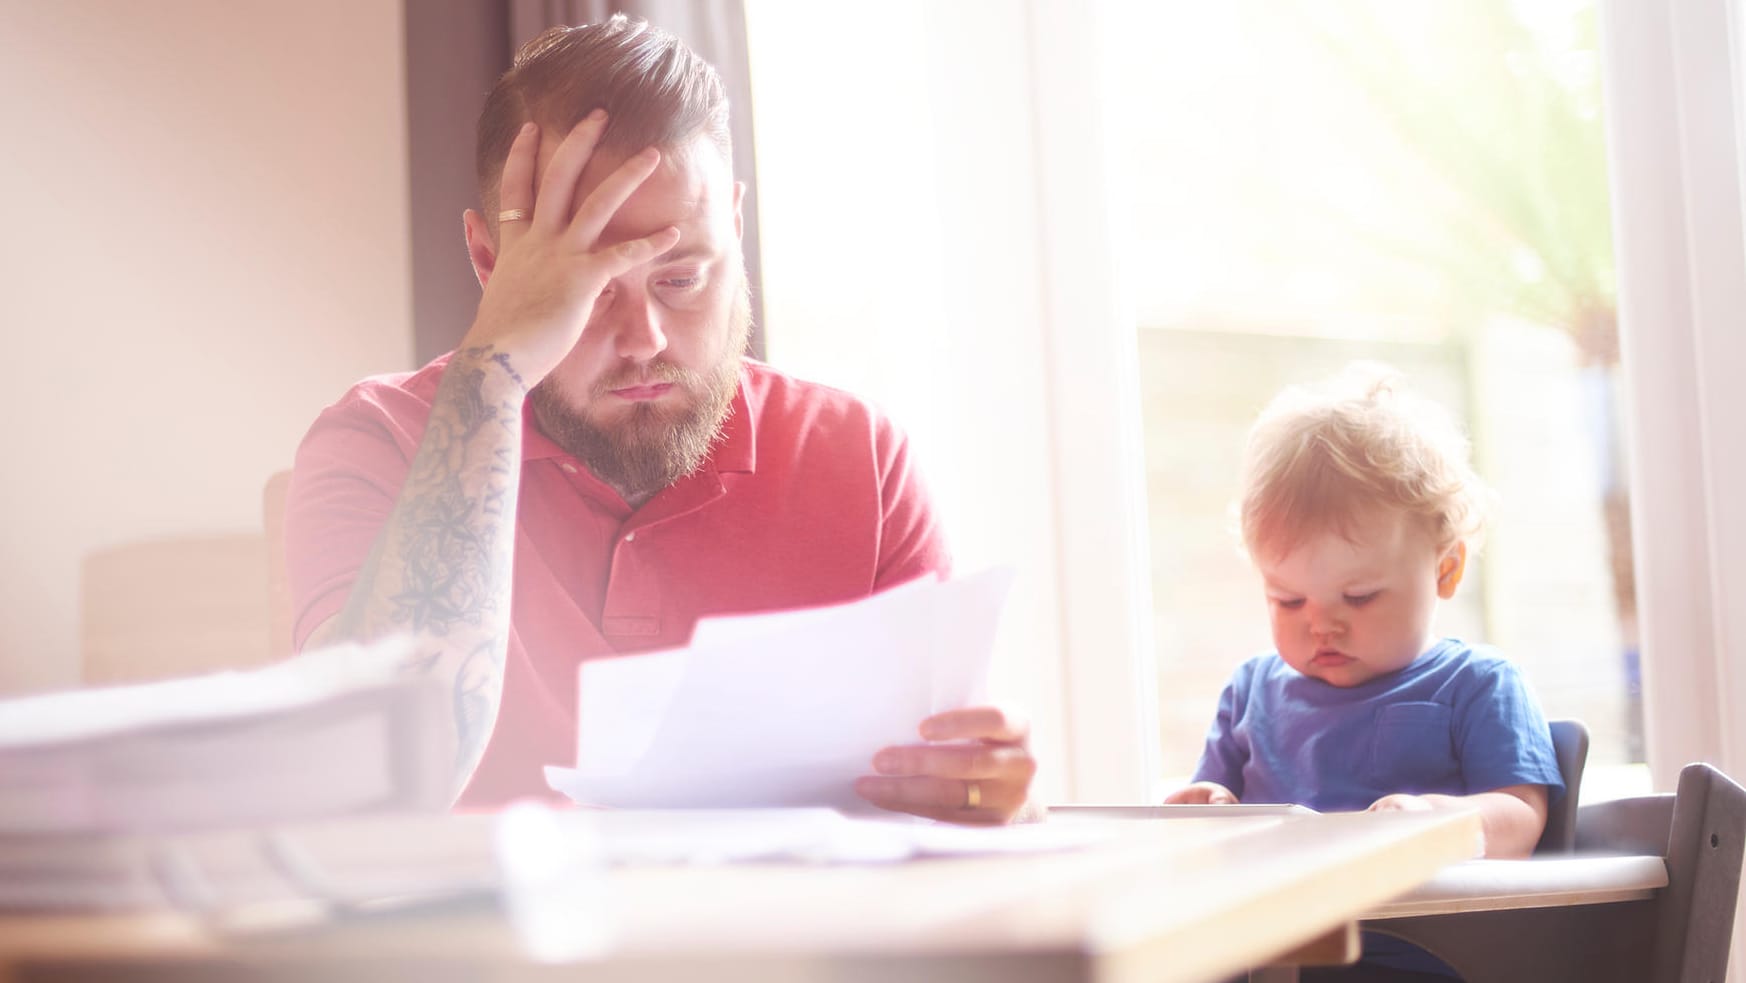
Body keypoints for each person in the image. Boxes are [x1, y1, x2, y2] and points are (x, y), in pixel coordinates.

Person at [284, 15, 1035, 824]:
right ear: (491, 265)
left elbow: (946, 803)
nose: (644, 340)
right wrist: (490, 379)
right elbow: (374, 785)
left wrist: (985, 794)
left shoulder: (863, 459)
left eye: (681, 278)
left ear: (735, 228)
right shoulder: (375, 444)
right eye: (591, 288)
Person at [1164, 363, 1563, 979]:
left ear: (1446, 569)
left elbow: (1522, 816)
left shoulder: (1478, 684)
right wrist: (1207, 807)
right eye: (1289, 600)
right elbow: (1212, 831)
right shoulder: (1250, 691)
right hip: (1259, 956)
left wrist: (1437, 823)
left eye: (1360, 597)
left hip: (1414, 959)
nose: (1322, 625)